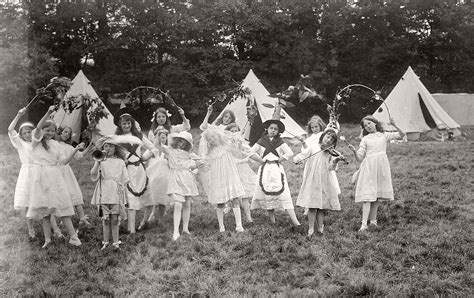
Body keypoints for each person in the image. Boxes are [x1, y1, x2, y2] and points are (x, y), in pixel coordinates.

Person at [28, 106, 83, 248]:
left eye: (52, 131)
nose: (50, 133)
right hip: (40, 176)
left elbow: (63, 162)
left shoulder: (56, 145)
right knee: (45, 211)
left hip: (55, 176)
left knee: (63, 206)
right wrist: (48, 112)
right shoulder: (36, 142)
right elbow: (38, 128)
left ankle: (73, 237)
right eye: (47, 130)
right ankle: (48, 239)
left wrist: (75, 150)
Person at [348, 115, 405, 231]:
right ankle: (364, 224)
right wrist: (354, 151)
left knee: (376, 196)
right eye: (365, 125)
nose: (368, 126)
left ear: (375, 123)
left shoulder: (383, 135)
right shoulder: (365, 139)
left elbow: (401, 135)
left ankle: (373, 221)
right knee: (368, 196)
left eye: (369, 123)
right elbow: (359, 158)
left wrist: (394, 125)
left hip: (381, 167)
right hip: (369, 168)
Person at [248, 106, 300, 226]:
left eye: (275, 129)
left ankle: (295, 221)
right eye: (271, 128)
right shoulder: (261, 141)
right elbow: (251, 152)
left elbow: (290, 153)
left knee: (284, 193)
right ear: (267, 128)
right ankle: (272, 220)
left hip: (276, 169)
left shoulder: (280, 142)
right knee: (267, 194)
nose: (273, 131)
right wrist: (260, 159)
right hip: (265, 169)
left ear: (278, 131)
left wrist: (281, 158)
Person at [294, 129, 343, 237]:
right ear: (323, 136)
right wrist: (297, 159)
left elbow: (331, 168)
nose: (328, 139)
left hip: (324, 180)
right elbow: (303, 155)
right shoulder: (313, 147)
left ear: (333, 143)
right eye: (327, 136)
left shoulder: (330, 152)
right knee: (312, 205)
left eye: (331, 139)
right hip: (312, 179)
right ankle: (311, 228)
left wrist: (335, 160)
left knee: (321, 206)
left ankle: (320, 228)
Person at [114, 108, 154, 234]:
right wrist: (122, 160)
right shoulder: (117, 138)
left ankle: (144, 222)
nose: (127, 125)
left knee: (150, 199)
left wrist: (144, 157)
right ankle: (131, 230)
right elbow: (113, 153)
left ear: (132, 124)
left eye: (129, 123)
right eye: (124, 123)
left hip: (140, 170)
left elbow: (152, 147)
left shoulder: (139, 136)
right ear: (120, 124)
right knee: (131, 199)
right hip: (127, 171)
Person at [199, 128, 246, 233]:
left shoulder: (226, 146)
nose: (212, 139)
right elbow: (206, 167)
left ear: (218, 136)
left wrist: (236, 138)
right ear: (208, 141)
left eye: (214, 136)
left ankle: (239, 226)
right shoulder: (209, 154)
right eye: (210, 139)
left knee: (235, 199)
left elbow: (237, 149)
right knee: (220, 202)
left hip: (230, 175)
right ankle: (221, 226)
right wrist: (201, 163)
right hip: (218, 178)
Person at [158, 131, 202, 241]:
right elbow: (159, 146)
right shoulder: (170, 151)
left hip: (187, 178)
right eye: (179, 140)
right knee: (178, 203)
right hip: (175, 178)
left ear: (187, 144)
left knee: (187, 203)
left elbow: (201, 161)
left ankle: (185, 228)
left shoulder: (189, 154)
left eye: (184, 141)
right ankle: (176, 231)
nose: (180, 143)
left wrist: (194, 168)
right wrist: (161, 138)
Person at [90, 136, 129, 250]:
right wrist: (98, 161)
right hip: (104, 191)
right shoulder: (101, 161)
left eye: (111, 146)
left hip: (115, 191)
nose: (108, 148)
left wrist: (122, 189)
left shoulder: (120, 161)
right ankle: (105, 242)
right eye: (105, 146)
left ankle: (116, 242)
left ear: (115, 148)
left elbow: (125, 178)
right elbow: (93, 173)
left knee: (115, 218)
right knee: (105, 219)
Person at [8, 108, 36, 238]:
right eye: (24, 132)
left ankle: (53, 227)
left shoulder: (37, 143)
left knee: (44, 199)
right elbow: (10, 130)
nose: (27, 134)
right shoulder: (20, 144)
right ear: (21, 135)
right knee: (28, 202)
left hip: (39, 171)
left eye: (29, 132)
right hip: (27, 172)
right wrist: (19, 115)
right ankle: (31, 228)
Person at [56, 126, 92, 226]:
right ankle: (64, 218)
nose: (67, 134)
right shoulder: (54, 144)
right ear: (59, 132)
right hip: (56, 172)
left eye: (69, 133)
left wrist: (89, 147)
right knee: (62, 196)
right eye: (65, 132)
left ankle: (82, 217)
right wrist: (75, 149)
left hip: (66, 172)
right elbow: (62, 161)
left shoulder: (68, 147)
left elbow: (79, 156)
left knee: (73, 192)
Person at [225, 123, 256, 222]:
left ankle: (248, 217)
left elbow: (248, 152)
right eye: (232, 131)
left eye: (236, 131)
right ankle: (232, 210)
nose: (234, 133)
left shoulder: (241, 142)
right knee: (233, 194)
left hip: (242, 169)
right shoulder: (225, 144)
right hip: (231, 169)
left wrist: (241, 144)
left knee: (245, 194)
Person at [143, 126, 171, 224]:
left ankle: (161, 217)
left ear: (166, 138)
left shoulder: (168, 149)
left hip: (164, 177)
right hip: (153, 176)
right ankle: (151, 214)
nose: (161, 139)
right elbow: (144, 158)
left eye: (163, 137)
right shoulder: (152, 149)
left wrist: (167, 154)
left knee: (162, 198)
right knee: (153, 197)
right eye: (158, 137)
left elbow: (172, 162)